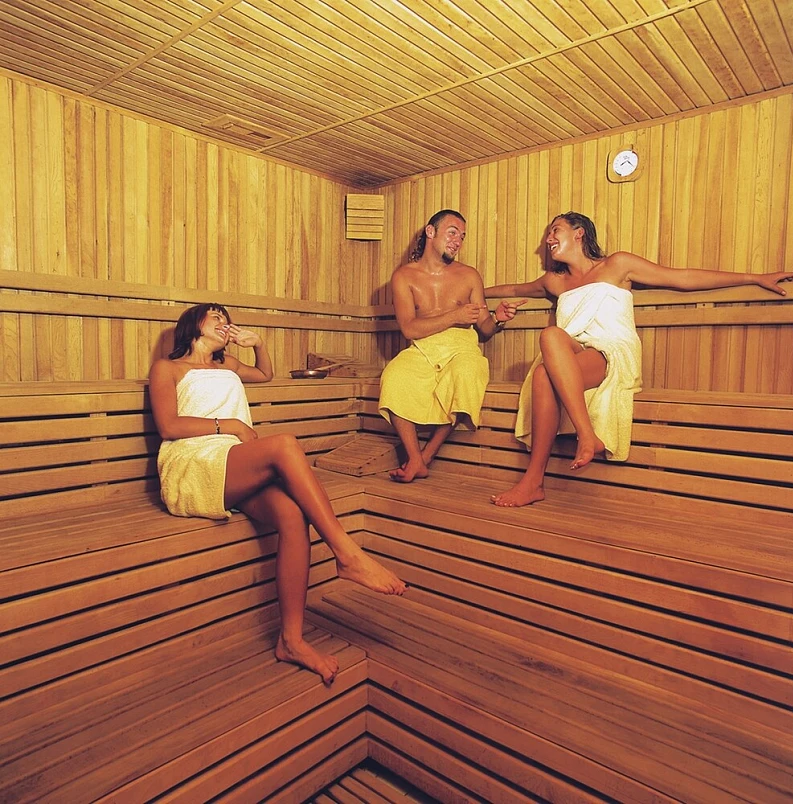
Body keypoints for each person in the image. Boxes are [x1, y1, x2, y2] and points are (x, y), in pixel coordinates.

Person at [149, 303, 407, 684]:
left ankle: (291, 640)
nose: (224, 322)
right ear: (193, 325)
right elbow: (168, 426)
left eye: (226, 318)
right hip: (192, 463)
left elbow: (265, 374)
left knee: (291, 514)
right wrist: (231, 425)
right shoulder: (168, 368)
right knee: (285, 444)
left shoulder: (228, 364)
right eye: (215, 316)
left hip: (231, 462)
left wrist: (258, 343)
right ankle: (347, 554)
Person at [484, 211, 793, 508]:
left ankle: (549, 467)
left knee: (544, 372)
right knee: (551, 338)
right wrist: (471, 293)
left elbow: (682, 277)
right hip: (574, 352)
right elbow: (511, 288)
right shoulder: (554, 281)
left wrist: (754, 277)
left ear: (579, 233)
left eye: (555, 230)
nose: (548, 239)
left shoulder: (617, 265)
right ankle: (564, 456)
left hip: (612, 350)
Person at [378, 209, 524, 482]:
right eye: (453, 232)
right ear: (430, 232)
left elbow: (485, 329)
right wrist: (455, 316)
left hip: (462, 348)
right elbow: (409, 328)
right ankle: (415, 457)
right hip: (423, 348)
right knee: (394, 376)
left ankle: (425, 458)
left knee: (466, 375)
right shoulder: (404, 277)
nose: (458, 241)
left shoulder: (469, 276)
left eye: (462, 237)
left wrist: (498, 319)